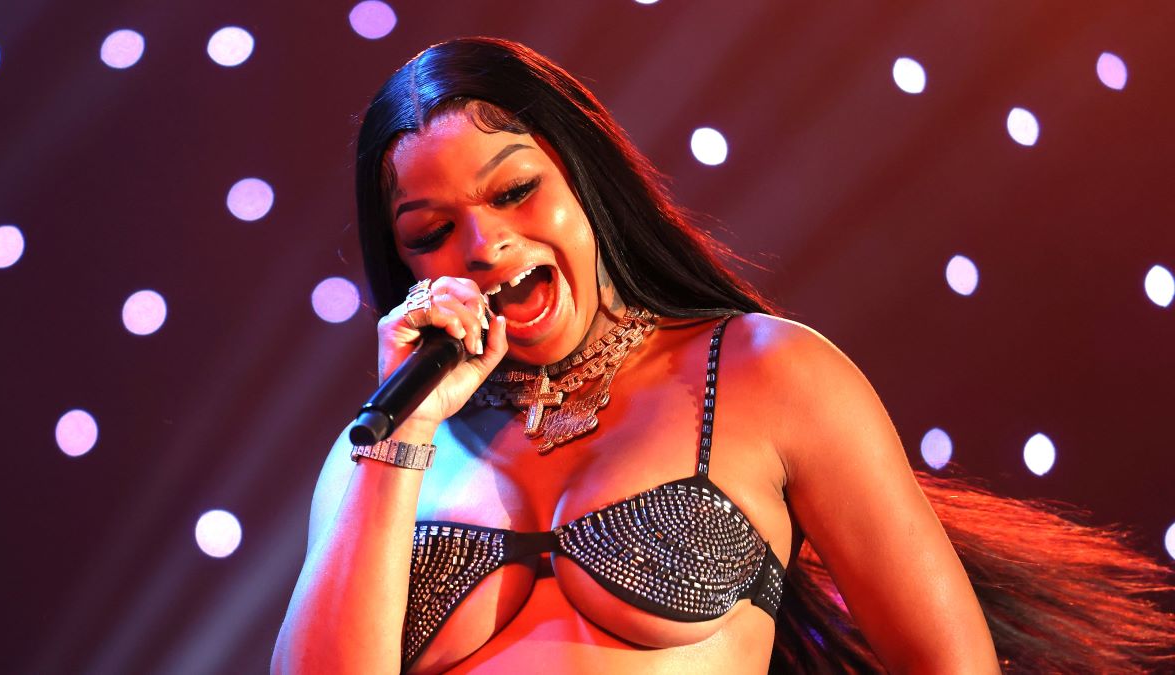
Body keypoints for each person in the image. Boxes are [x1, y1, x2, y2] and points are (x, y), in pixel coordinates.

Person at [273, 38, 1174, 674]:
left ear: (585, 181)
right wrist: (399, 435)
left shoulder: (766, 374)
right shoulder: (381, 450)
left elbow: (947, 659)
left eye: (515, 190)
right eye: (432, 231)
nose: (484, 244)